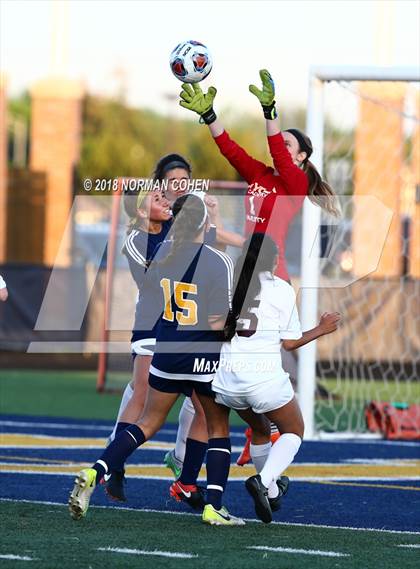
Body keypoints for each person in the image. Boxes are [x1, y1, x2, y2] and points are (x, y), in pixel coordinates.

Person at [179, 69, 341, 463]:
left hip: (271, 275)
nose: (281, 147)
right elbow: (229, 150)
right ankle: (232, 437)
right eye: (281, 141)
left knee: (260, 354)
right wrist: (210, 115)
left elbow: (277, 152)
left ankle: (259, 432)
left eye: (289, 145)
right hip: (241, 273)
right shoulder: (261, 176)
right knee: (218, 355)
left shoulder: (294, 184)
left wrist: (270, 112)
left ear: (301, 157)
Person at [69, 194, 244, 526]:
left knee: (147, 423)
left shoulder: (163, 254)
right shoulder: (218, 260)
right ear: (205, 224)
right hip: (202, 356)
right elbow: (218, 321)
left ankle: (96, 471)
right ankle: (214, 505)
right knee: (217, 425)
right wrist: (241, 323)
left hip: (166, 352)